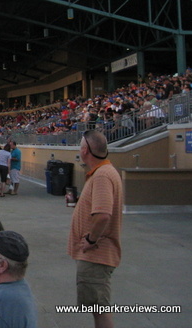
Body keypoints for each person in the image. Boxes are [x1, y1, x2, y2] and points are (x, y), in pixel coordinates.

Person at [68, 130, 123, 328]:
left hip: (96, 254)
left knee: (100, 309)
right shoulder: (102, 172)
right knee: (98, 307)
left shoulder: (102, 175)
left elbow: (103, 215)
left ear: (84, 151)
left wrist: (91, 240)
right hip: (96, 255)